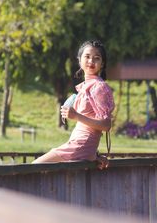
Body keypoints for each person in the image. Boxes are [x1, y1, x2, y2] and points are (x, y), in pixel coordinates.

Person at [32, 40, 115, 169]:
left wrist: (76, 116)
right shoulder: (88, 86)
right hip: (82, 146)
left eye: (96, 58)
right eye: (87, 57)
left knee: (35, 167)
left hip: (80, 145)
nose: (91, 61)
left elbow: (106, 125)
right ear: (79, 60)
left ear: (102, 64)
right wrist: (95, 154)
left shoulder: (99, 87)